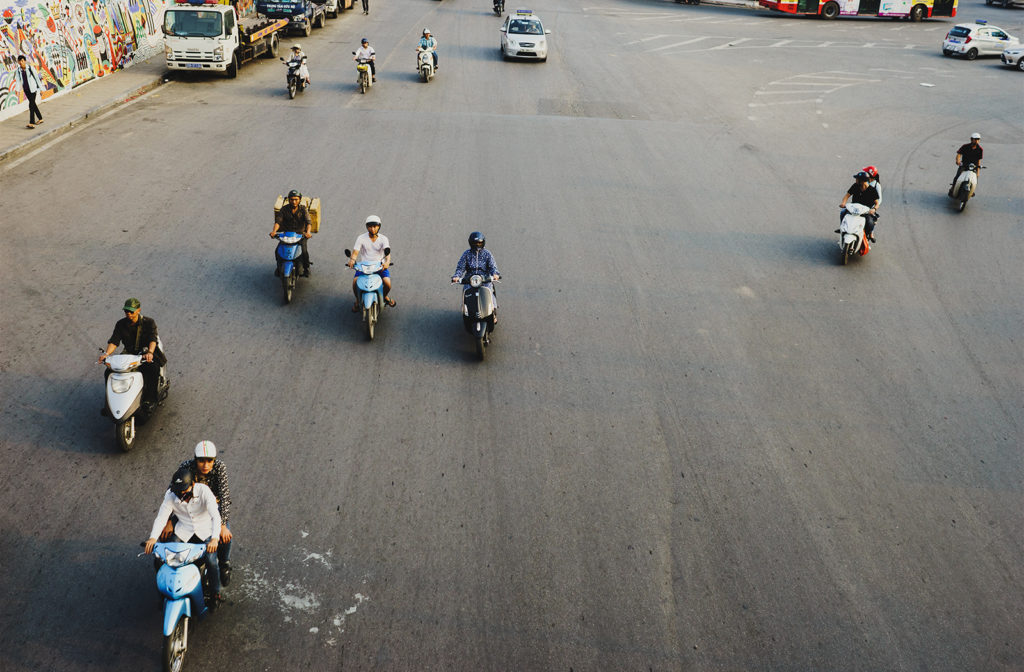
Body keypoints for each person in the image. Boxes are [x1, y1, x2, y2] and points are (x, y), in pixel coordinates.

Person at [144, 466, 224, 605]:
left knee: (211, 561)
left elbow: (216, 517)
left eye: (184, 492)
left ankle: (215, 592)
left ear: (193, 484)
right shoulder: (170, 495)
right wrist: (153, 538)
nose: (181, 495)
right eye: (178, 492)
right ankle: (163, 592)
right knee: (161, 559)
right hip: (183, 531)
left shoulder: (204, 491)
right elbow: (161, 517)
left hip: (206, 531)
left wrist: (215, 539)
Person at [160, 441, 234, 588]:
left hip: (212, 509)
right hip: (188, 508)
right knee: (167, 539)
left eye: (209, 461)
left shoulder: (220, 468)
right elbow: (172, 493)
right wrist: (168, 521)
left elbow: (225, 497)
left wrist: (222, 525)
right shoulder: (186, 467)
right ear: (195, 460)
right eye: (201, 461)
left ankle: (224, 564)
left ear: (214, 461)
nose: (205, 465)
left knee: (226, 537)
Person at [98, 298, 165, 412]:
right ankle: (109, 403)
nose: (128, 313)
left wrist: (150, 353)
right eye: (126, 311)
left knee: (152, 368)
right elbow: (114, 341)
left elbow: (152, 339)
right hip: (129, 354)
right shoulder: (121, 324)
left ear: (138, 310)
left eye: (131, 311)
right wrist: (106, 354)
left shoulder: (148, 322)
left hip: (145, 353)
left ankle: (150, 400)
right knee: (109, 372)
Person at [452, 231, 500, 324]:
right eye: (475, 243)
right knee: (466, 293)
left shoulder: (487, 254)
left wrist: (495, 274)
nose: (477, 245)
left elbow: (493, 266)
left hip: (484, 279)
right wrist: (457, 276)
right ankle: (466, 311)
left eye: (479, 243)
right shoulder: (466, 254)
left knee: (489, 291)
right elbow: (460, 267)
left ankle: (493, 312)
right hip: (470, 279)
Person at [347, 215, 394, 310]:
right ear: (367, 227)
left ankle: (384, 296)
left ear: (379, 226)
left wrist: (387, 262)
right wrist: (352, 260)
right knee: (355, 283)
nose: (372, 229)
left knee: (387, 284)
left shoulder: (383, 239)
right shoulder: (361, 238)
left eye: (375, 226)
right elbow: (355, 252)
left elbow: (387, 253)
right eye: (370, 226)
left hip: (380, 266)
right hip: (364, 267)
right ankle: (357, 300)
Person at [270, 189, 312, 276]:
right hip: (287, 235)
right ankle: (279, 267)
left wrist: (308, 232)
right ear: (289, 200)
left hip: (300, 235)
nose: (294, 202)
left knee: (304, 252)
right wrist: (274, 231)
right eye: (292, 199)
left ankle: (306, 268)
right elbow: (278, 222)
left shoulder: (303, 209)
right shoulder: (284, 209)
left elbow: (308, 222)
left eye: (296, 199)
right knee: (277, 251)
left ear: (299, 200)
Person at [839, 171, 880, 243]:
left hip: (866, 211)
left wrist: (874, 209)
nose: (856, 180)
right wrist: (843, 203)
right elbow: (847, 196)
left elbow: (877, 203)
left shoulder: (872, 190)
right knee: (842, 213)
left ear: (862, 181)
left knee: (870, 223)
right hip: (853, 209)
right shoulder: (855, 186)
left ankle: (868, 234)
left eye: (857, 179)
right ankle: (843, 228)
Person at [949, 132, 983, 197]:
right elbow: (959, 154)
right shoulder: (965, 146)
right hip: (964, 165)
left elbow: (978, 160)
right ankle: (953, 188)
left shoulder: (980, 149)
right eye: (975, 139)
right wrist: (958, 160)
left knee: (975, 179)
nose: (976, 141)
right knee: (957, 176)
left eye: (978, 139)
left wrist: (978, 171)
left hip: (973, 167)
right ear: (971, 139)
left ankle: (972, 190)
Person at [15, 55, 44, 130]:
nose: (21, 62)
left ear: (24, 61)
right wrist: (17, 90)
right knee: (33, 104)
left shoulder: (30, 68)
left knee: (31, 105)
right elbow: (18, 80)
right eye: (19, 61)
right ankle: (40, 118)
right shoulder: (18, 70)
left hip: (33, 89)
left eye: (22, 61)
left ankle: (31, 123)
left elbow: (37, 78)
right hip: (26, 89)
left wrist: (41, 89)